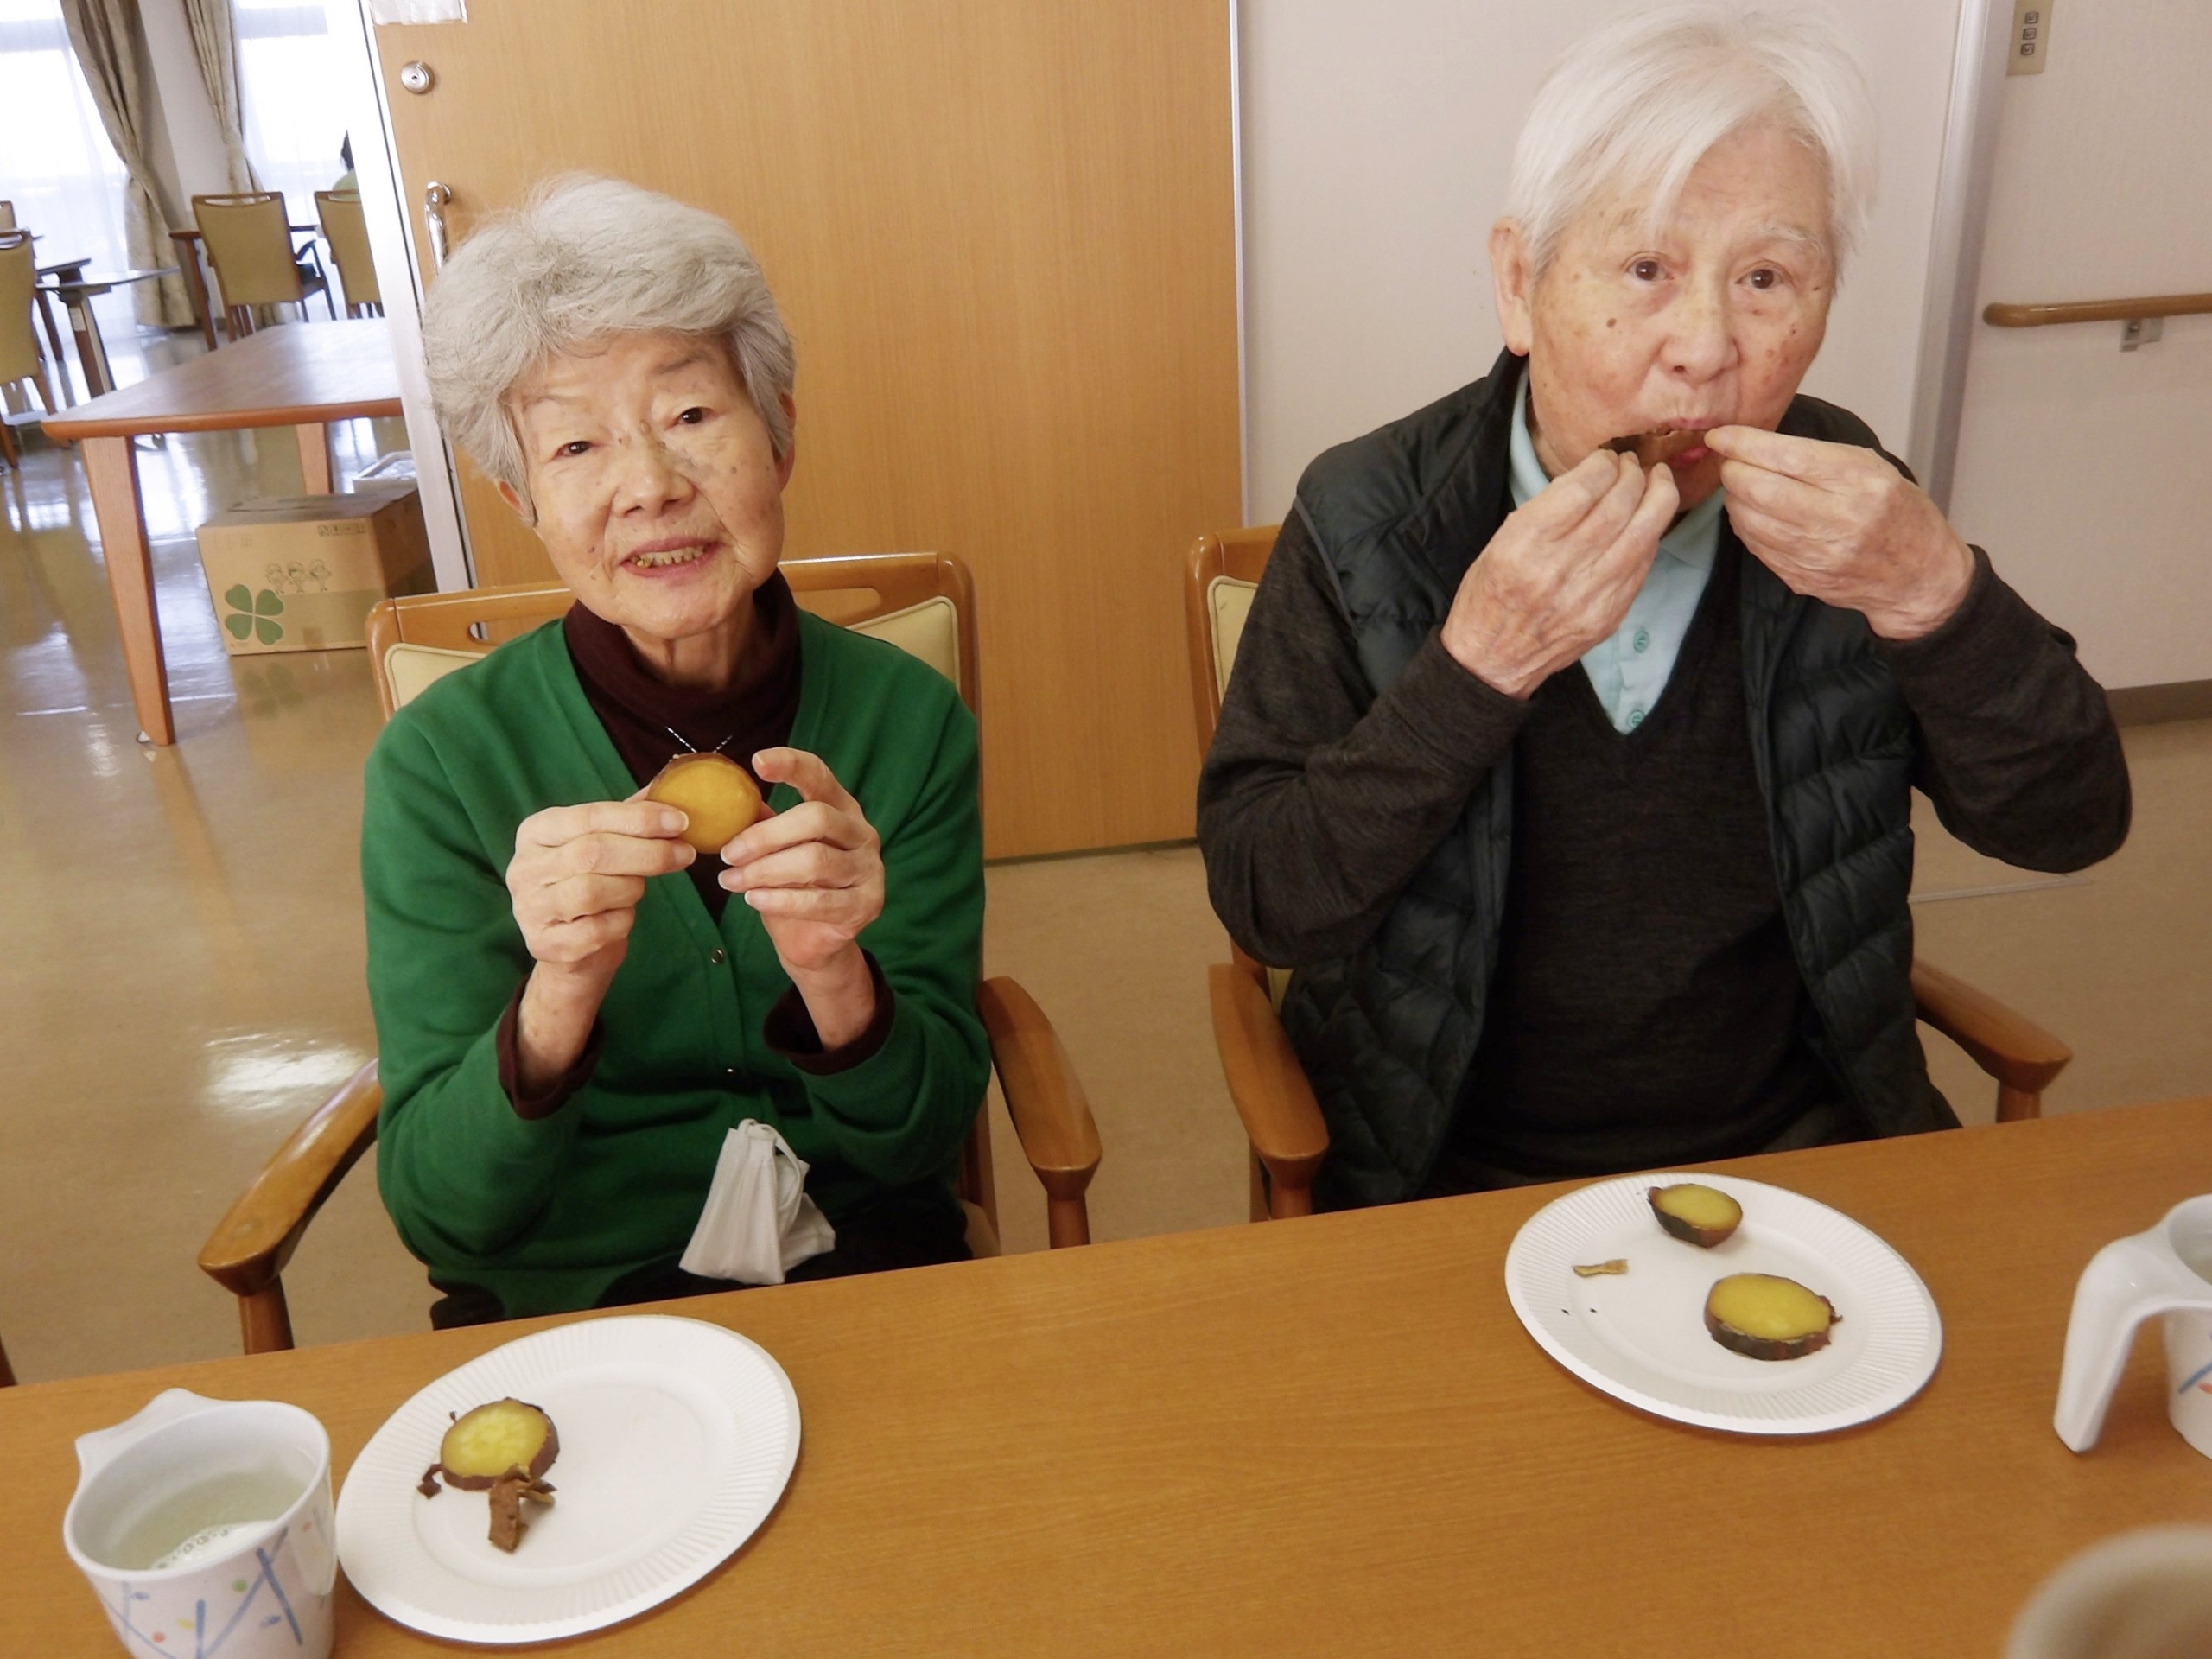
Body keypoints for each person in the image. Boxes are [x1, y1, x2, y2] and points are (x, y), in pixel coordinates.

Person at [1197, 6, 2130, 1211]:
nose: (1704, 347)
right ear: (1519, 285)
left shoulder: (1855, 509)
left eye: (1765, 278)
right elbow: (1271, 901)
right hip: (1448, 1171)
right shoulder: (1367, 512)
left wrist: (1937, 594)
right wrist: (1471, 671)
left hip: (1795, 1154)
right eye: (1644, 269)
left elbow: (2072, 825)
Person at [365, 175, 988, 1323]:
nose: (648, 486)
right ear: (522, 501)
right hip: (581, 1300)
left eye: (693, 417)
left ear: (781, 438)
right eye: (577, 446)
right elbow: (445, 1214)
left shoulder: (909, 721)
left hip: (862, 1276)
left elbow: (923, 1144)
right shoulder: (441, 762)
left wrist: (833, 970)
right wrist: (560, 991)